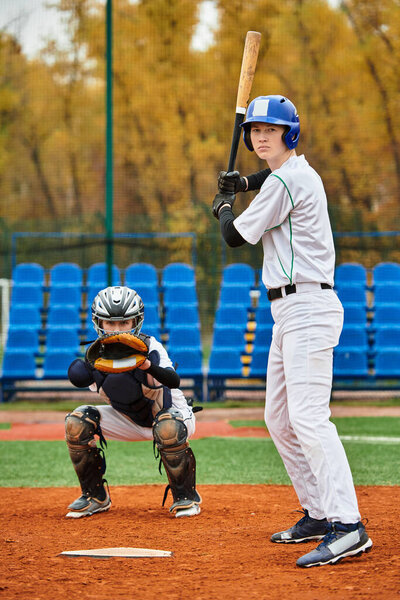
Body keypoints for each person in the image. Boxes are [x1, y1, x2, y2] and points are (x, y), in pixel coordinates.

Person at [212, 95, 372, 568]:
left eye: (271, 130)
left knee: (308, 419)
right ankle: (320, 514)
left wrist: (223, 205)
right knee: (279, 419)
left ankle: (349, 525)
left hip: (308, 306)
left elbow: (235, 236)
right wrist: (243, 181)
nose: (261, 136)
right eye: (255, 130)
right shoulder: (296, 174)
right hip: (292, 311)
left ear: (290, 134)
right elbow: (270, 177)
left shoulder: (287, 179)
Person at [65, 285, 201, 519]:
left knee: (168, 426)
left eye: (124, 323)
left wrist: (147, 366)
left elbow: (173, 380)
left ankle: (186, 497)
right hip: (128, 419)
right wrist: (89, 365)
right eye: (109, 323)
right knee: (77, 421)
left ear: (136, 322)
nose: (116, 329)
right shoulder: (96, 353)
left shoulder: (150, 348)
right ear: (98, 322)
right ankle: (95, 497)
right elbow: (77, 375)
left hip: (171, 415)